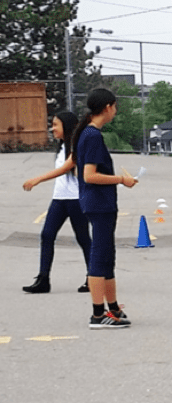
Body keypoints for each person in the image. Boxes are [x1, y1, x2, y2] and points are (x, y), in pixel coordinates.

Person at [72, 88, 138, 329]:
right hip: (99, 204)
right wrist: (121, 179)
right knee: (99, 257)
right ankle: (98, 314)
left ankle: (113, 307)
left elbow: (79, 171)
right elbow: (88, 175)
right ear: (108, 107)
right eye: (115, 106)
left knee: (107, 256)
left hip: (100, 203)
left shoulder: (88, 134)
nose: (116, 111)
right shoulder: (92, 136)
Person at [21, 111, 92, 294]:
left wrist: (37, 179)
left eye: (55, 125)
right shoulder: (61, 148)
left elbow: (64, 169)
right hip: (59, 199)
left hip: (76, 200)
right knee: (47, 235)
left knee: (83, 238)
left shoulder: (77, 146)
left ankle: (93, 277)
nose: (52, 129)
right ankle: (43, 279)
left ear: (66, 127)